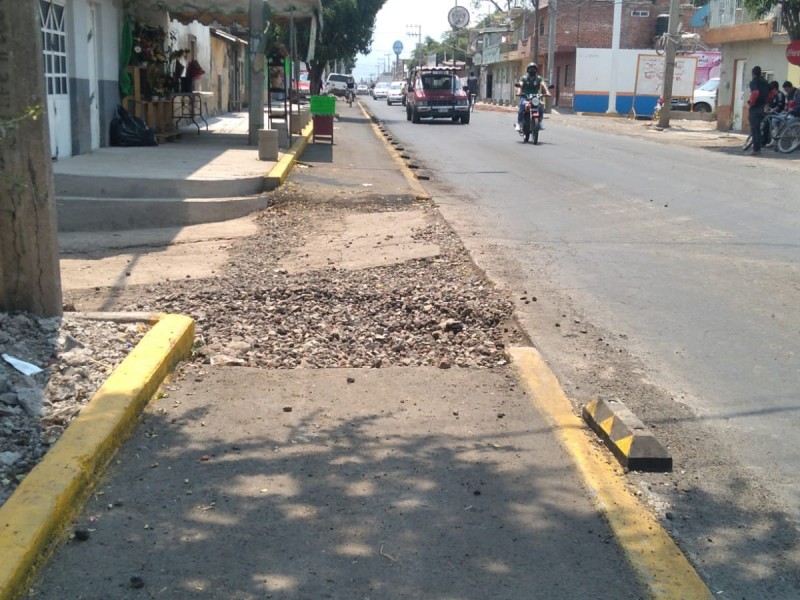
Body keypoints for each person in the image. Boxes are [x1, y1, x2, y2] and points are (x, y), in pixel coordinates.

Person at [515, 63, 550, 131]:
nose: (532, 70)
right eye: (530, 69)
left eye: (534, 69)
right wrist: (519, 92)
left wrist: (547, 92)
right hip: (525, 96)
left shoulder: (539, 78)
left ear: (536, 70)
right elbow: (521, 85)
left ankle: (540, 122)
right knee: (522, 107)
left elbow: (543, 85)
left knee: (540, 107)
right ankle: (519, 124)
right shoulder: (524, 78)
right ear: (528, 70)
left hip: (535, 97)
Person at [745, 65, 769, 156]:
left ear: (753, 73)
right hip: (762, 107)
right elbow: (771, 93)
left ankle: (756, 150)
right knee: (758, 129)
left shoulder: (754, 82)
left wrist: (751, 102)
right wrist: (766, 102)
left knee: (754, 129)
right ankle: (759, 147)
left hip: (755, 108)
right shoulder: (765, 82)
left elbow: (755, 93)